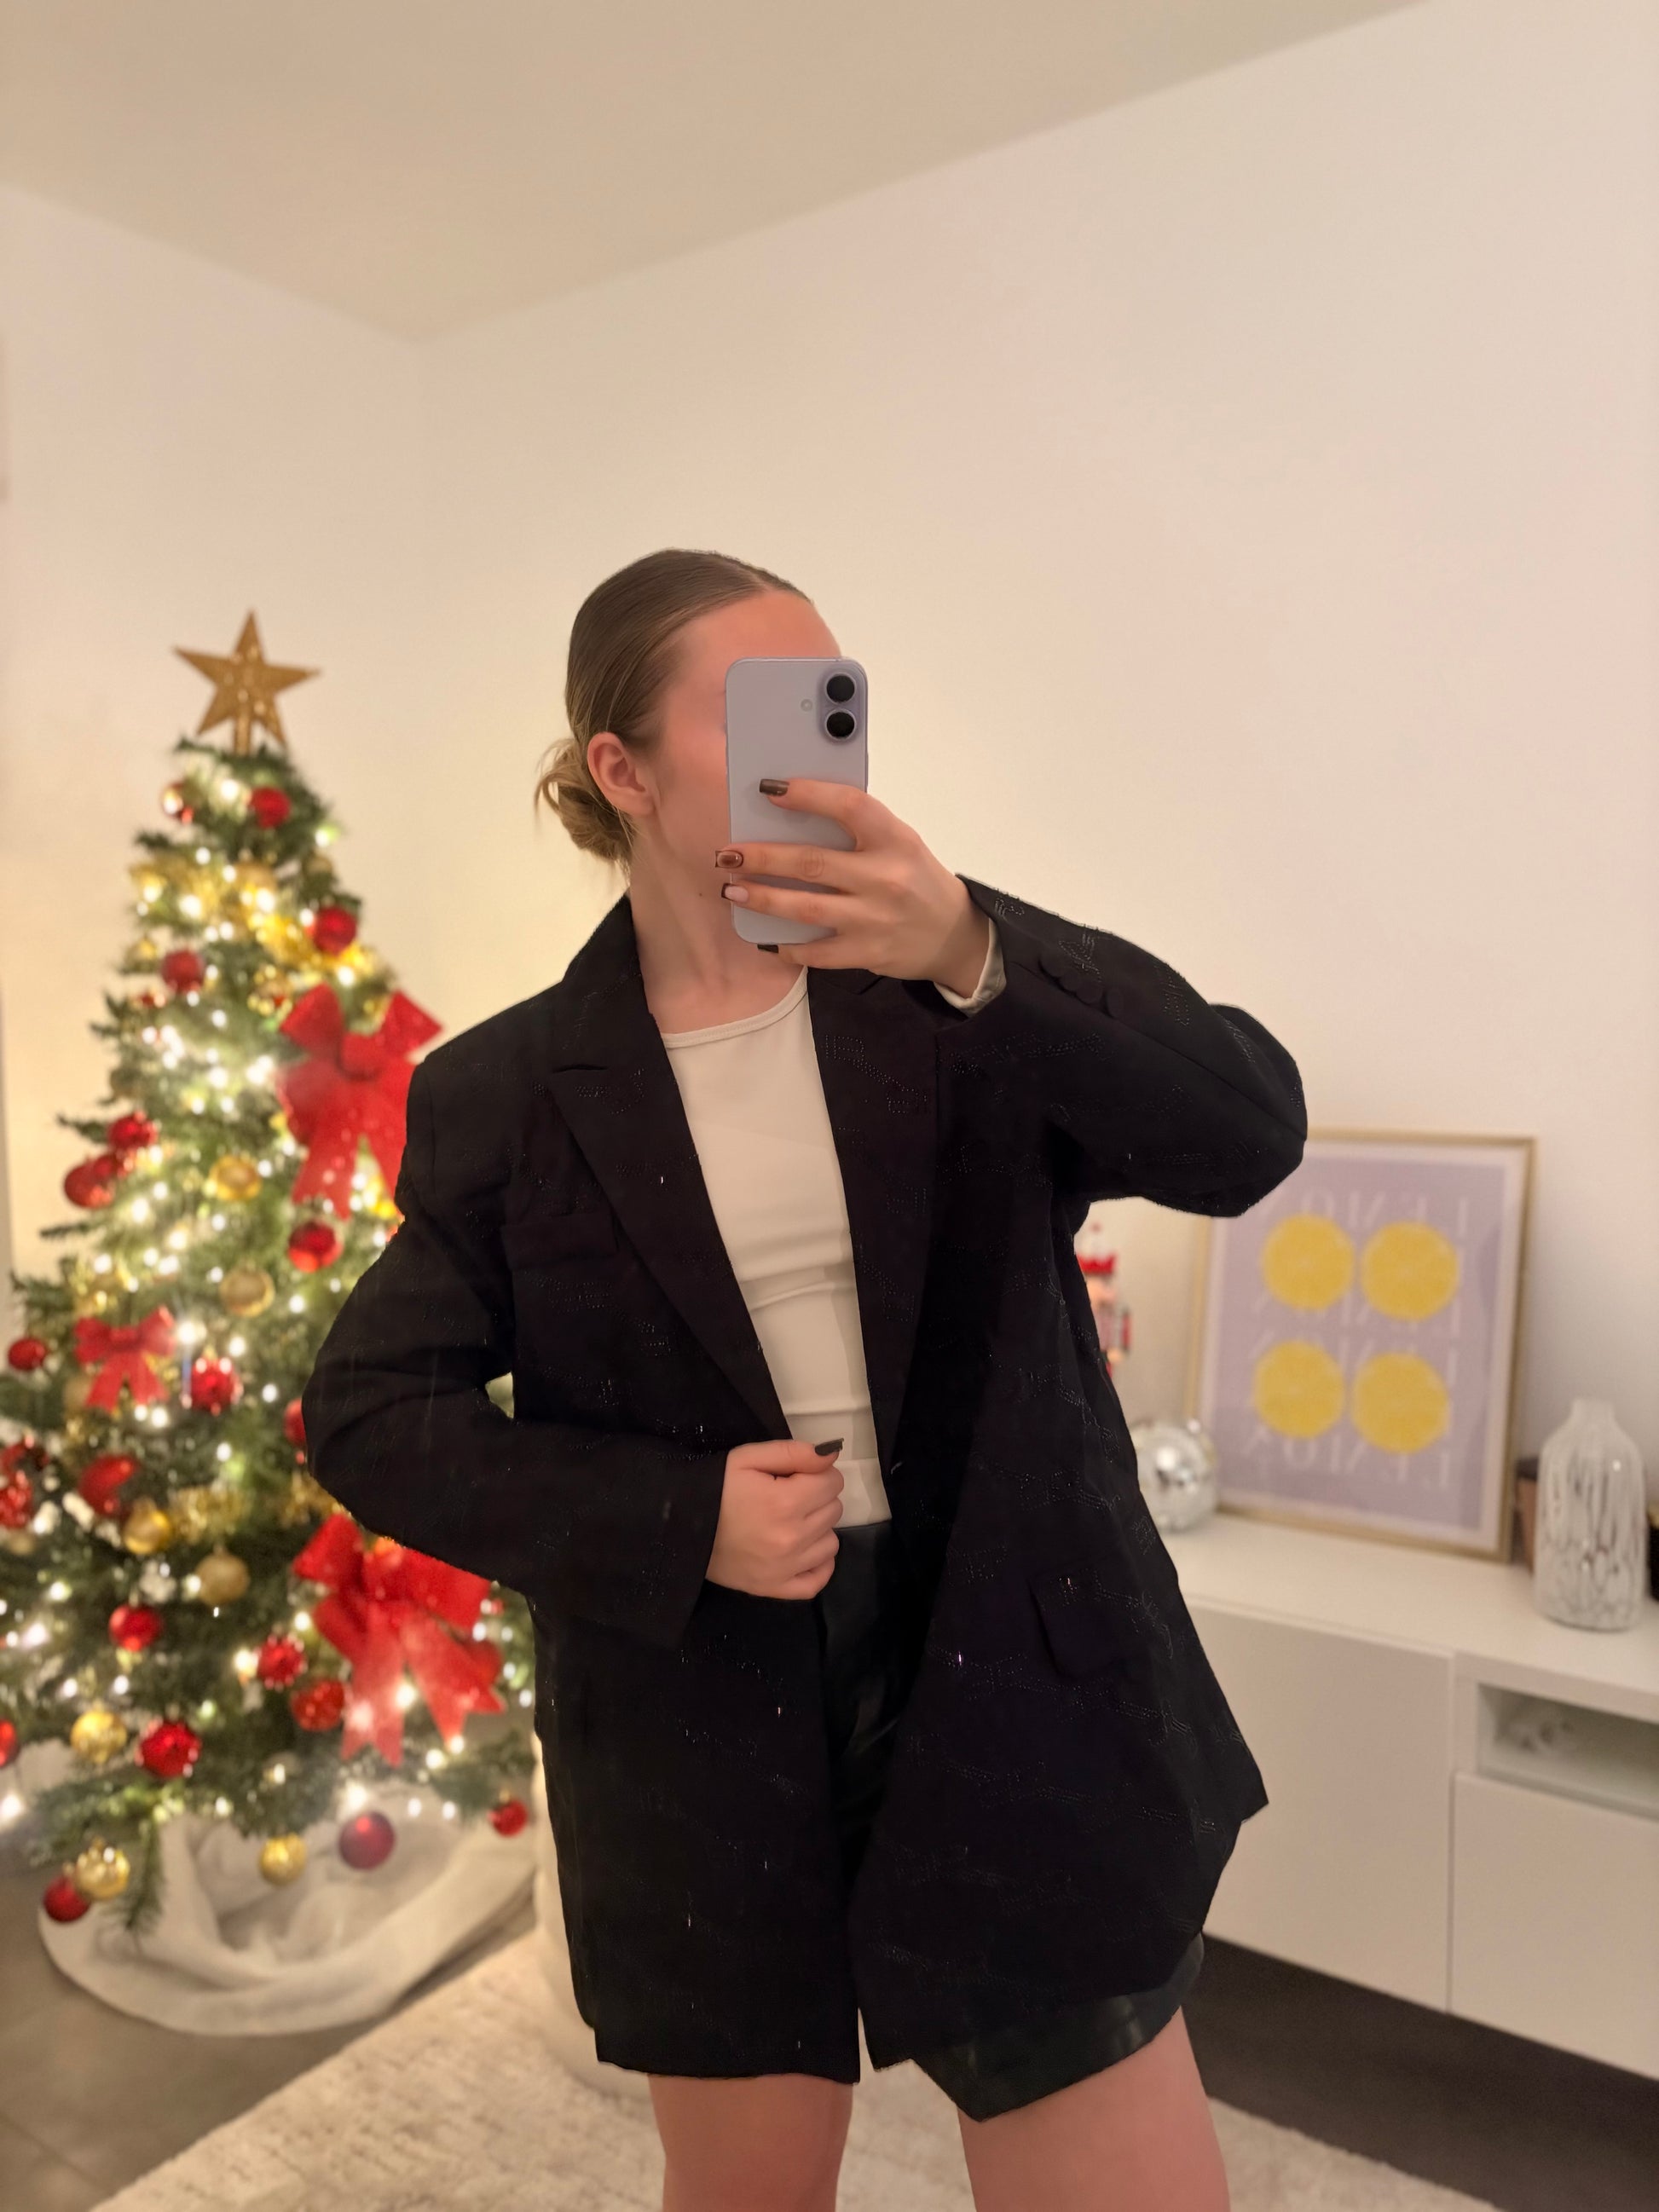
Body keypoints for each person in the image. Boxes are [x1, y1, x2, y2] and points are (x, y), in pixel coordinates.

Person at [303, 548, 1308, 2212]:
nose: (817, 740)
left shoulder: (950, 999)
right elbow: (369, 1410)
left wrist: (971, 940)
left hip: (1011, 1662)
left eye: (832, 699)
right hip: (696, 1715)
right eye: (761, 706)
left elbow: (1244, 1130)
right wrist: (673, 1514)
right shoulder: (510, 1092)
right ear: (622, 771)